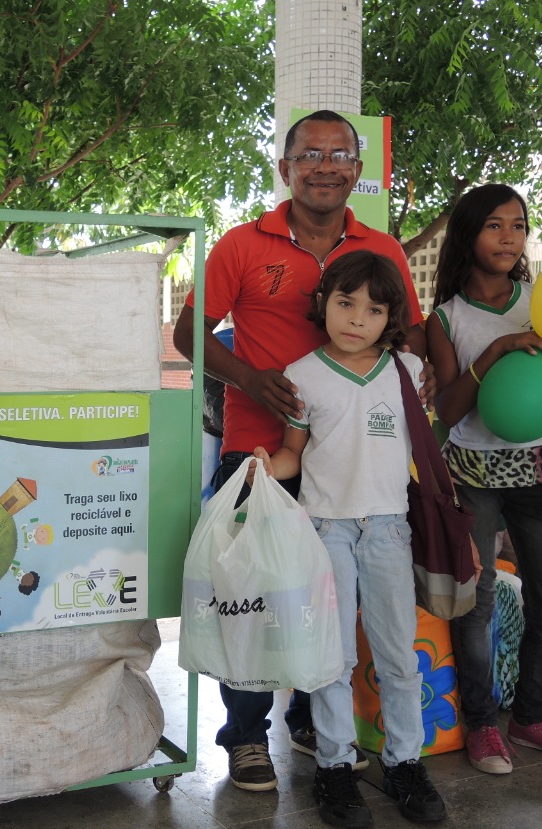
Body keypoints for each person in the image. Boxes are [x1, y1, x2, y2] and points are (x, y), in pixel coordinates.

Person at [173, 109, 425, 792]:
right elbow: (189, 333)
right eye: (310, 154)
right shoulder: (242, 245)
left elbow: (411, 339)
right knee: (255, 596)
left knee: (325, 602)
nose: (325, 166)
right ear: (285, 168)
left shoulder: (382, 249)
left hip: (347, 467)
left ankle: (315, 722)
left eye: (340, 154)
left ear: (357, 170)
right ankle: (247, 733)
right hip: (261, 453)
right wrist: (250, 379)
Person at [249, 251, 445, 828]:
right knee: (332, 659)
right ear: (324, 304)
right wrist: (267, 464)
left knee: (398, 658)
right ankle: (334, 769)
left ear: (390, 319)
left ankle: (405, 763)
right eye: (345, 303)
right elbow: (293, 452)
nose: (357, 318)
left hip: (389, 529)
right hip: (325, 530)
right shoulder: (303, 375)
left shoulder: (407, 374)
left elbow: (427, 459)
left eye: (374, 309)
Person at [426, 183, 542, 775]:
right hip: (471, 477)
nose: (510, 237)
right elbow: (449, 411)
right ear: (468, 235)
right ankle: (483, 727)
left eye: (519, 226)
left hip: (539, 475)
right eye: (494, 226)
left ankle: (531, 719)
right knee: (474, 606)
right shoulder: (446, 318)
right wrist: (501, 347)